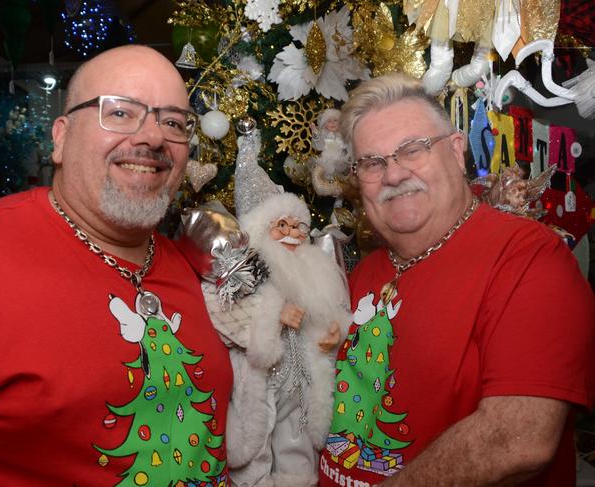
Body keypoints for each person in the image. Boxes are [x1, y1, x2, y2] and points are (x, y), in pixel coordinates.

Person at [0, 45, 232, 486]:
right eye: (119, 113)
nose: (153, 138)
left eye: (173, 122)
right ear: (60, 137)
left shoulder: (190, 261)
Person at [319, 73, 595, 486]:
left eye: (412, 150)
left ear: (456, 151)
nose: (393, 175)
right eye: (373, 163)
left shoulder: (529, 259)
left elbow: (518, 440)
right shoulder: (364, 271)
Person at [196, 129, 352, 487]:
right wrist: (272, 315)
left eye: (299, 226)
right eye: (282, 225)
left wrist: (335, 330)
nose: (294, 233)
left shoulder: (315, 267)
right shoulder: (241, 268)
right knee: (258, 440)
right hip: (259, 376)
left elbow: (332, 308)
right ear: (262, 230)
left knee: (294, 431)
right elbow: (221, 310)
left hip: (299, 372)